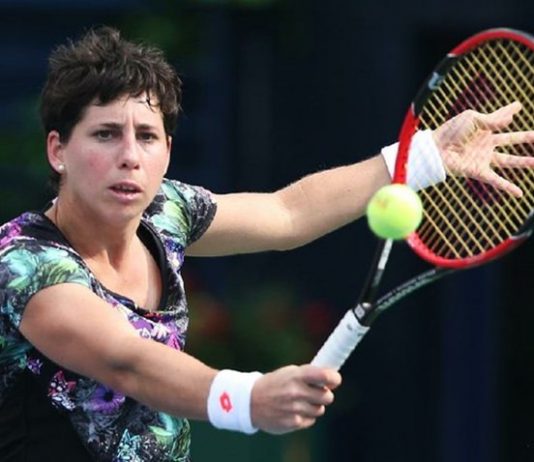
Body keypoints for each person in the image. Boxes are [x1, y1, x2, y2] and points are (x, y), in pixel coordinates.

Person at [0, 26, 532, 462]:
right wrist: (249, 399)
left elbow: (288, 213)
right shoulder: (24, 262)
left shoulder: (166, 212)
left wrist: (425, 156)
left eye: (147, 136)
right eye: (105, 134)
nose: (130, 156)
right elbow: (127, 363)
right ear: (58, 151)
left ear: (168, 150)